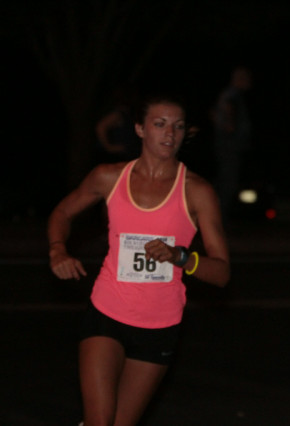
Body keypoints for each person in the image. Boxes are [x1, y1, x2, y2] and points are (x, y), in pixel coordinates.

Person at [48, 94, 230, 425]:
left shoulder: (197, 191)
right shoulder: (108, 176)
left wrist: (180, 257)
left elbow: (221, 273)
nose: (169, 134)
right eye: (159, 124)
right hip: (107, 312)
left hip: (160, 324)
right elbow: (62, 211)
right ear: (139, 129)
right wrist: (58, 249)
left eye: (177, 127)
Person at [210, 66, 253, 220]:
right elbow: (226, 111)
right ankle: (219, 218)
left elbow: (214, 114)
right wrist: (230, 126)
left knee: (225, 180)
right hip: (229, 146)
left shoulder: (231, 95)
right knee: (228, 181)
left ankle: (220, 216)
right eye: (246, 78)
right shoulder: (232, 95)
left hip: (228, 145)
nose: (249, 82)